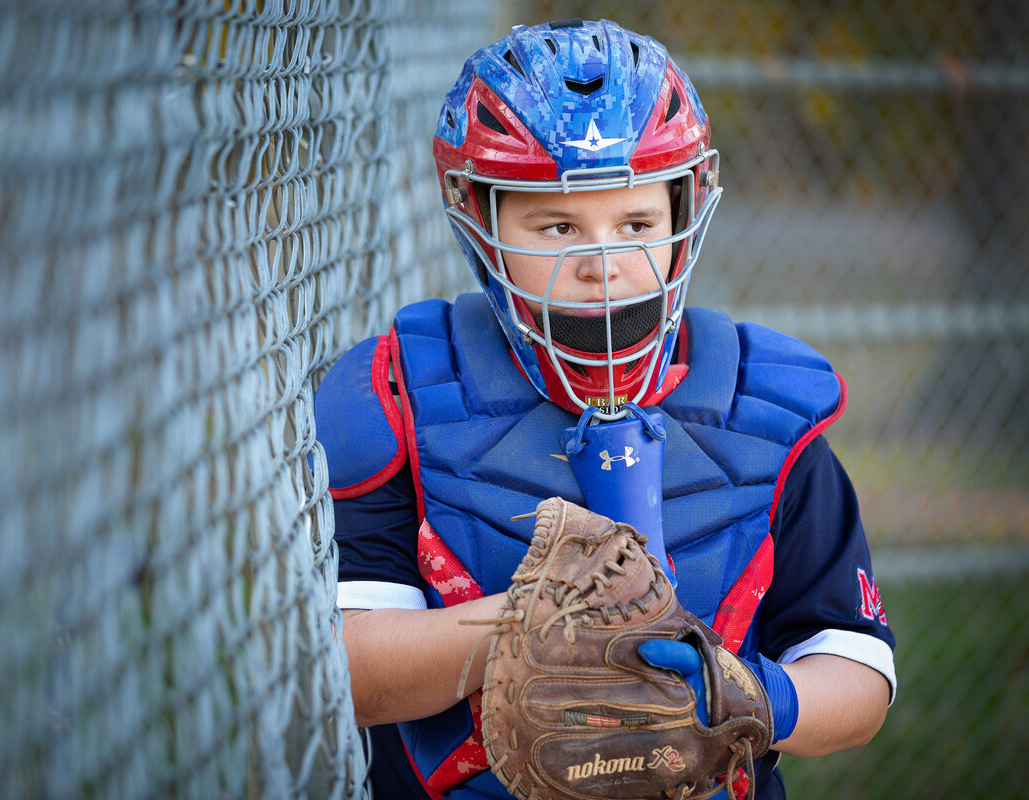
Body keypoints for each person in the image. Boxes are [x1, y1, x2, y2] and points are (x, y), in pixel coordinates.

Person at [314, 18, 895, 800]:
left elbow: (857, 672)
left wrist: (751, 695)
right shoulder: (406, 395)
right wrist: (527, 629)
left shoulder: (763, 411)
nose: (602, 264)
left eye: (636, 224)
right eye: (557, 226)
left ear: (682, 214)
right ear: (480, 219)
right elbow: (349, 672)